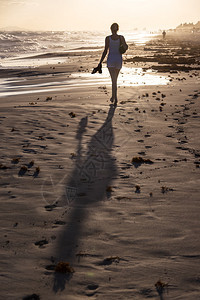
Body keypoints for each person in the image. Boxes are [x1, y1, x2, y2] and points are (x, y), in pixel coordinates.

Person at [95, 23, 128, 105]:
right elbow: (126, 47)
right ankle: (114, 97)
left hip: (111, 60)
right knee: (115, 80)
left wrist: (100, 62)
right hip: (118, 60)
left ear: (111, 29)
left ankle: (114, 97)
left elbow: (105, 51)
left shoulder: (108, 38)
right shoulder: (121, 37)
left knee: (113, 80)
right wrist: (123, 44)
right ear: (117, 29)